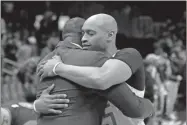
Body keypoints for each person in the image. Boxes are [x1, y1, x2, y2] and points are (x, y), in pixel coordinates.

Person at [36, 15, 154, 125]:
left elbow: (101, 79)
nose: (83, 39)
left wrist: (58, 67)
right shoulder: (84, 62)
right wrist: (38, 105)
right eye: (82, 34)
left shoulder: (128, 55)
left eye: (90, 33)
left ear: (110, 35)